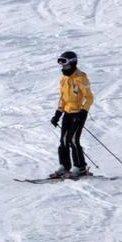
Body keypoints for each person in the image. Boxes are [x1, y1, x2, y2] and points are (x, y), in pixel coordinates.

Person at [50, 50, 93, 178]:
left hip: (79, 113)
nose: (63, 68)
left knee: (73, 140)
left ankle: (80, 167)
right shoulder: (64, 79)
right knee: (63, 140)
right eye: (62, 65)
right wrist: (57, 114)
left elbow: (89, 98)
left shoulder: (80, 78)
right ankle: (64, 166)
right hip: (67, 113)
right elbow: (63, 98)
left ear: (73, 64)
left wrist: (83, 111)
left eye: (66, 65)